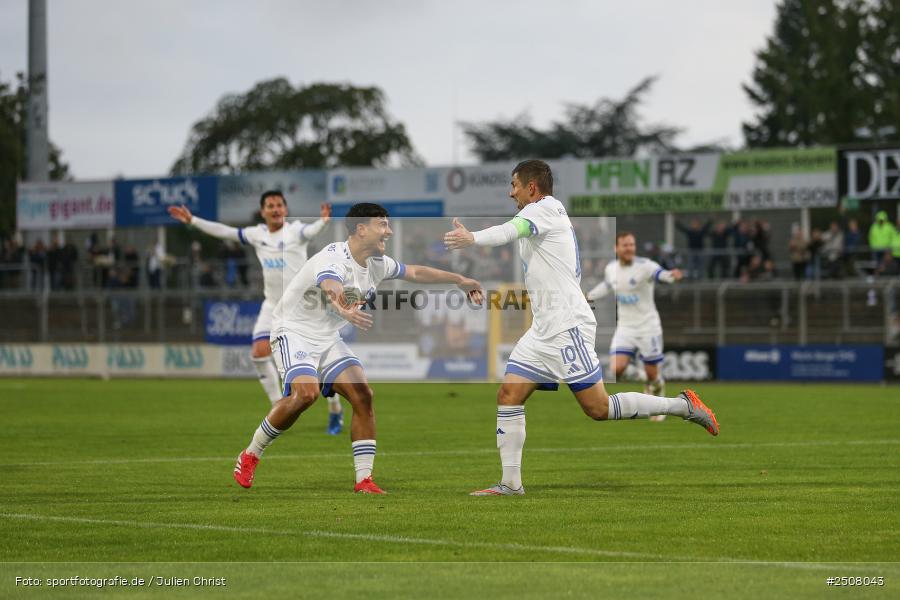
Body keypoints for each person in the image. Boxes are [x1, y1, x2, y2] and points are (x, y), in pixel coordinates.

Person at [444, 159, 718, 496]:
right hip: (544, 328)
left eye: (514, 185)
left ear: (532, 187)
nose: (510, 192)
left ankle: (683, 406)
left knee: (598, 408)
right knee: (508, 394)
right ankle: (510, 483)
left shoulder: (543, 209)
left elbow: (508, 231)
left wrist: (471, 237)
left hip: (566, 326)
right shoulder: (543, 214)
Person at [232, 202, 484, 494]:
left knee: (363, 395)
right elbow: (331, 284)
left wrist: (460, 280)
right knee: (306, 394)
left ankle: (364, 480)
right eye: (383, 225)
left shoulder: (377, 263)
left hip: (327, 337)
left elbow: (415, 272)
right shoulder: (334, 256)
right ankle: (251, 454)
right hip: (293, 331)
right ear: (361, 229)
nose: (389, 231)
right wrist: (344, 308)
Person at [168, 192, 340, 430]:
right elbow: (225, 231)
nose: (275, 209)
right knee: (259, 353)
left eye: (279, 205)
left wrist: (323, 221)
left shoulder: (295, 231)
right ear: (263, 212)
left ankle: (335, 408)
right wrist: (193, 220)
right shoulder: (257, 235)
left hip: (302, 307)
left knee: (320, 362)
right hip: (273, 306)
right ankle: (278, 406)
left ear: (285, 210)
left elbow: (310, 231)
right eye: (270, 206)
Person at [586, 232, 684, 422]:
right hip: (625, 328)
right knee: (616, 369)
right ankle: (646, 379)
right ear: (616, 248)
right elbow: (607, 286)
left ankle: (657, 387)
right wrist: (588, 297)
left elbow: (662, 274)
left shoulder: (646, 266)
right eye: (625, 245)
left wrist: (672, 276)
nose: (629, 248)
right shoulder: (611, 268)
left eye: (632, 244)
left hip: (648, 327)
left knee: (653, 375)